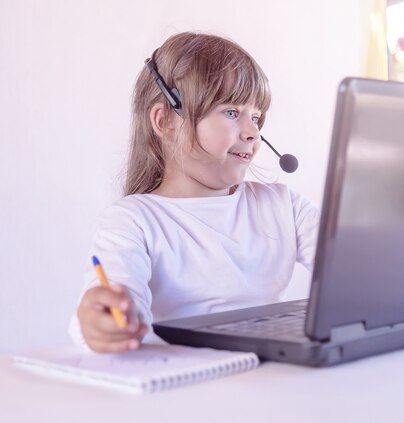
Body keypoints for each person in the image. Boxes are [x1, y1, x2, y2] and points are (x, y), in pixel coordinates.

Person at [69, 31, 317, 353]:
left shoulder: (284, 206)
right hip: (187, 389)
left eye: (256, 117)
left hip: (269, 378)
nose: (252, 132)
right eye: (231, 113)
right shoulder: (134, 221)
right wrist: (99, 321)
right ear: (166, 122)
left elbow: (352, 265)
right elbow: (115, 296)